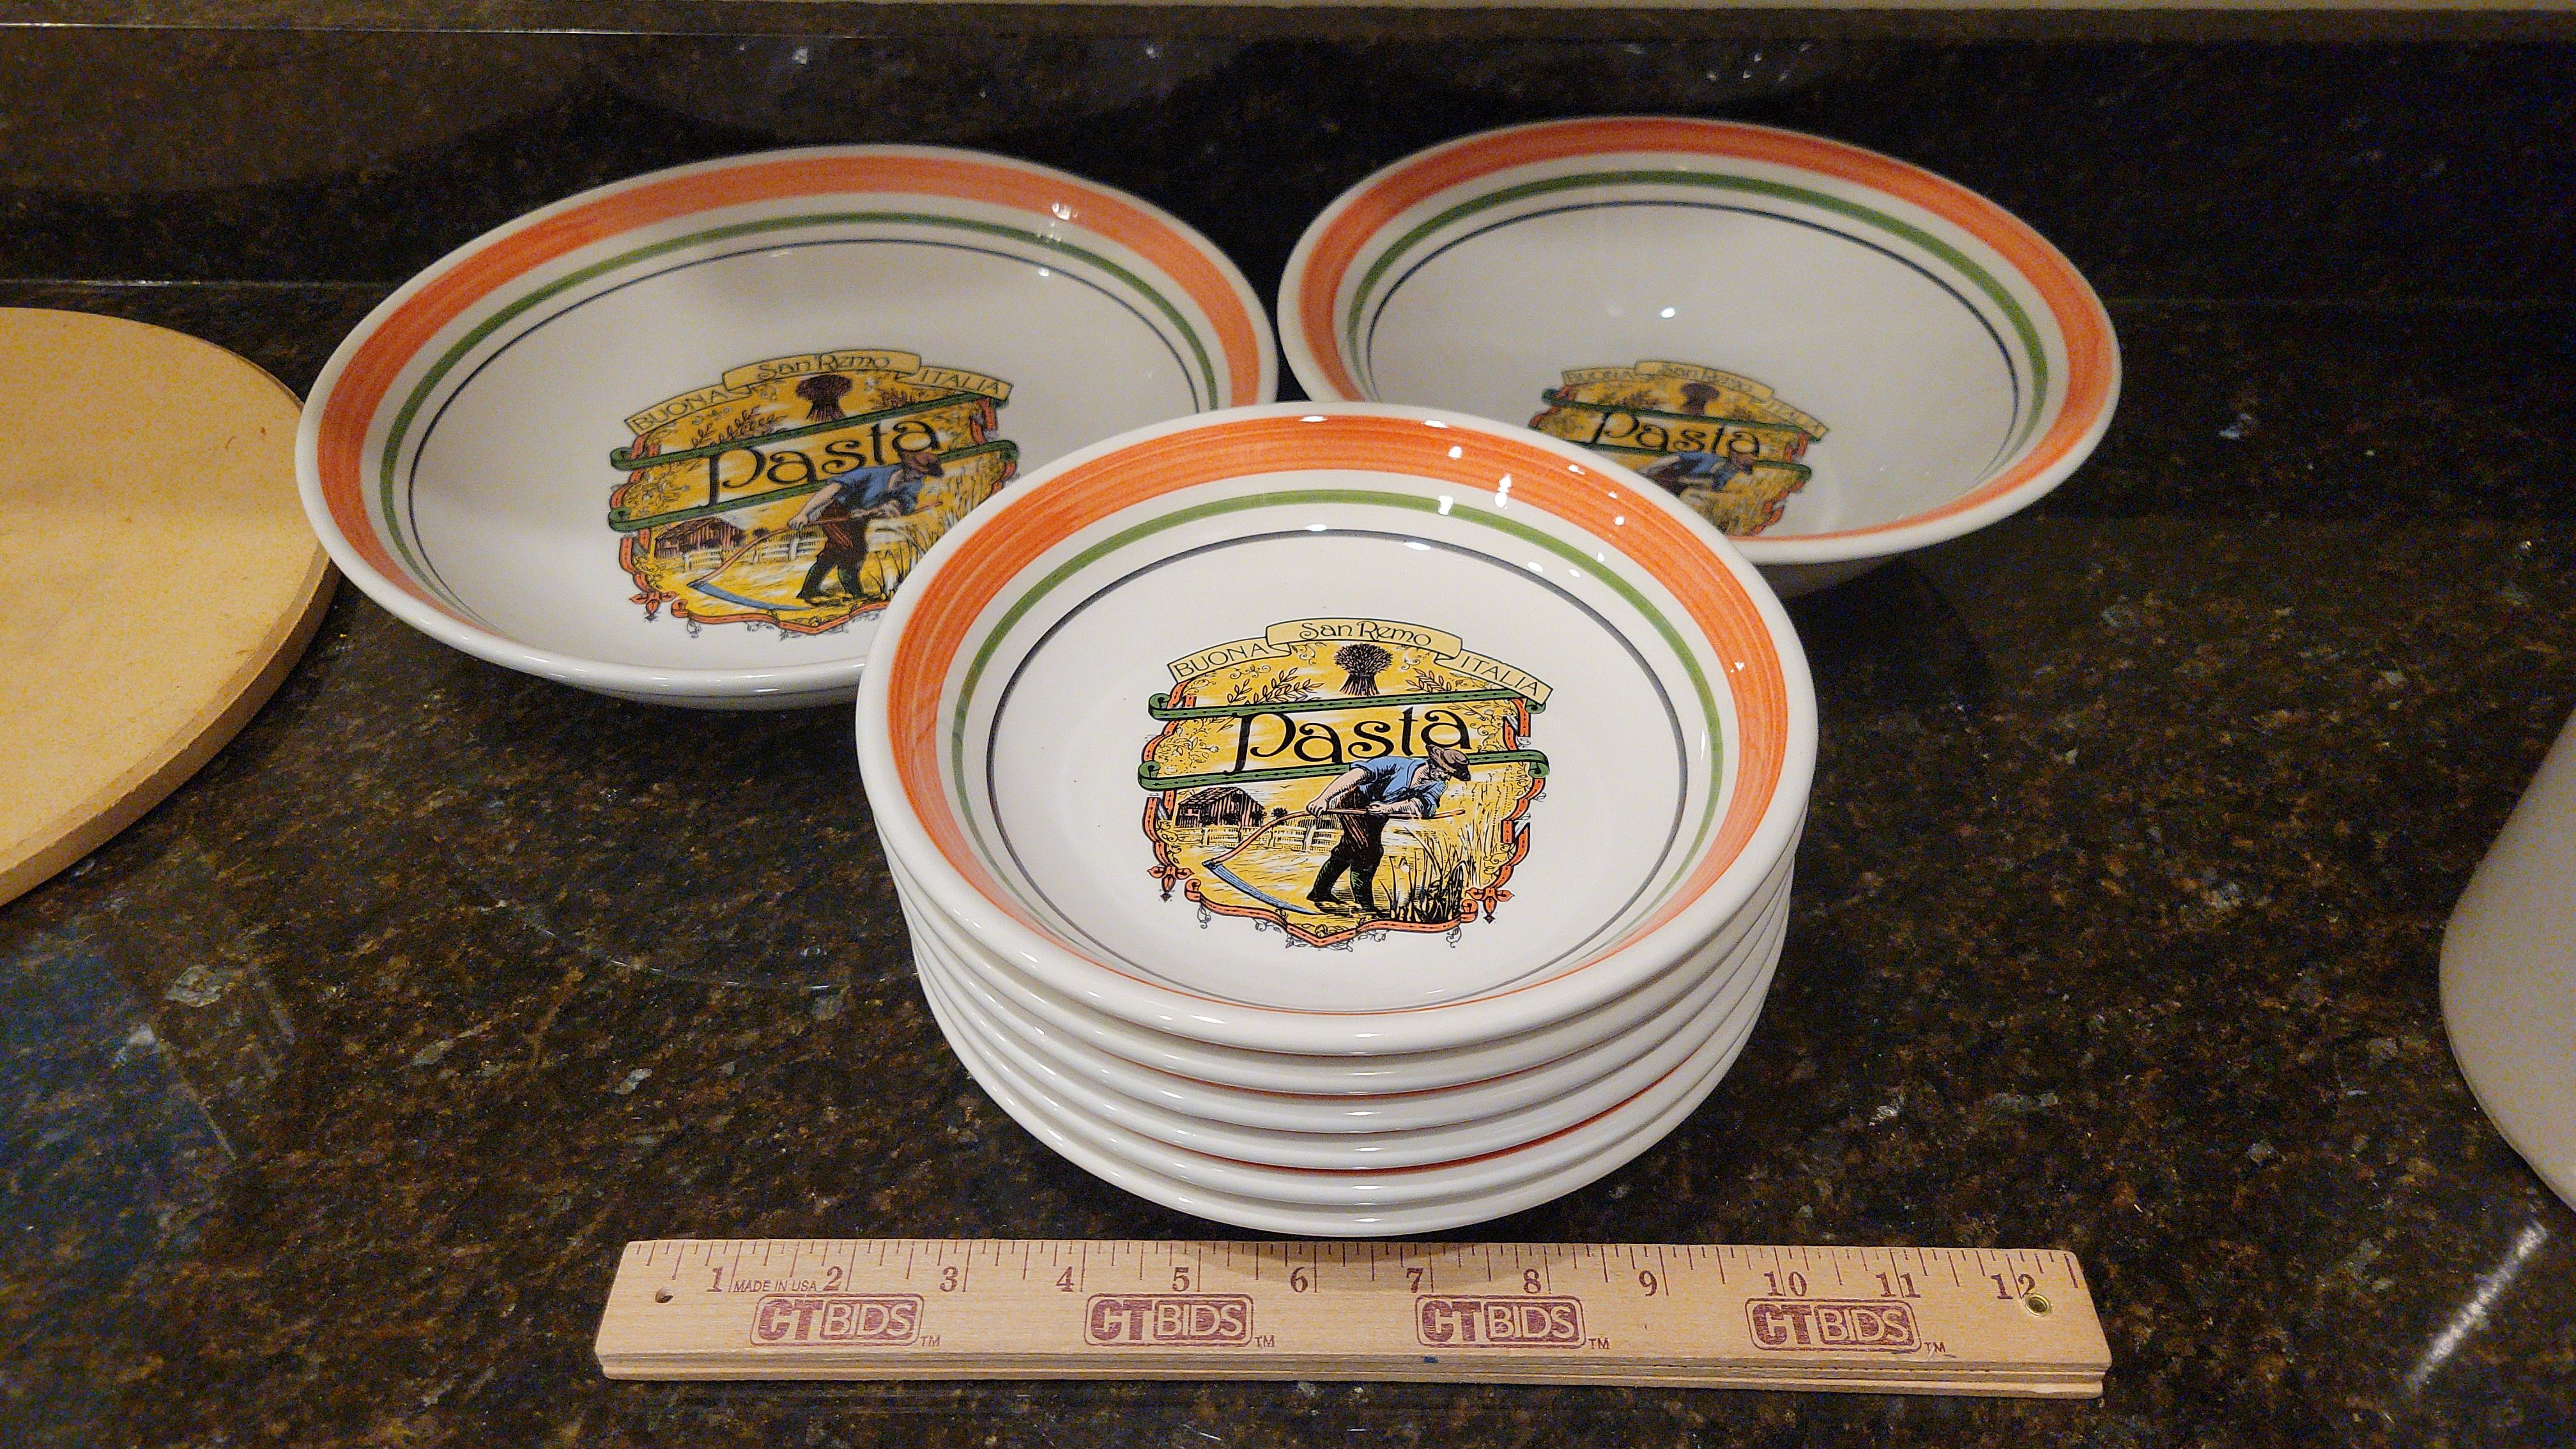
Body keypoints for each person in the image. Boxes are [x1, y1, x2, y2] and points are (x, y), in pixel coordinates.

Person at [1303, 743, 1473, 913]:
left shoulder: (1438, 783)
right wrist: (1323, 799)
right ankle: (1365, 905)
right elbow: (1356, 775)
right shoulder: (1398, 764)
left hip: (1379, 813)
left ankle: (1319, 893)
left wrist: (1388, 808)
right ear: (1433, 764)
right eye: (1445, 771)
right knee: (1368, 850)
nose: (1446, 777)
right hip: (1355, 804)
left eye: (1450, 774)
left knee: (1348, 850)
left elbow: (1421, 805)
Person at [789, 448, 942, 604]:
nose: (919, 477)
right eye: (917, 472)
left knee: (858, 550)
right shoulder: (873, 474)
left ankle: (849, 593)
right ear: (906, 467)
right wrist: (804, 514)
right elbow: (832, 489)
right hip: (836, 513)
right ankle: (814, 591)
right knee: (845, 545)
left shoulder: (915, 483)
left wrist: (888, 509)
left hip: (860, 519)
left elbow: (903, 503)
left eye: (923, 474)